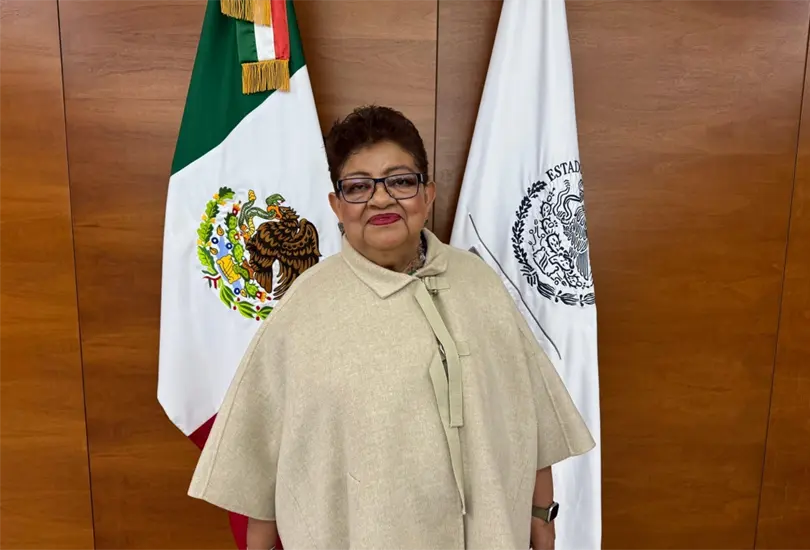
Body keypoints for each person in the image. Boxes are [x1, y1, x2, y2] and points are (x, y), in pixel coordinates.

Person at [188, 105, 595, 550]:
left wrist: (543, 518)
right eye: (358, 187)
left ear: (427, 194)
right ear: (336, 205)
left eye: (400, 181)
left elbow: (530, 419)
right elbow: (259, 467)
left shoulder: (479, 285)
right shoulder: (305, 309)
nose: (381, 200)